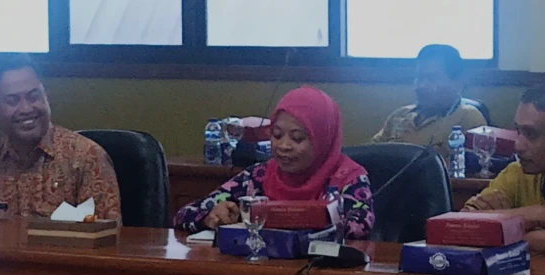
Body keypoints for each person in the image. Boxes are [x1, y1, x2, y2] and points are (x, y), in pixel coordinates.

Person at [175, 86, 375, 239]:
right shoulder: (258, 176)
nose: (284, 146)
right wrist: (212, 216)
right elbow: (185, 214)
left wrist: (284, 217)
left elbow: (359, 226)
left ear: (323, 139)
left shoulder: (349, 177)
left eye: (297, 138)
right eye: (277, 135)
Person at [0, 54, 121, 221]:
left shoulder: (86, 158)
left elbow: (106, 239)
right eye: (13, 101)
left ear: (47, 97)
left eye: (34, 96)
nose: (26, 109)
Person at [462, 81, 545, 254]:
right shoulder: (517, 173)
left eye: (531, 134)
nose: (518, 146)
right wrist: (537, 215)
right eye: (518, 131)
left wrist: (509, 231)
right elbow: (463, 225)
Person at [371, 44, 487, 159]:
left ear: (457, 82)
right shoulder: (400, 115)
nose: (421, 86)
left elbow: (469, 170)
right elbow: (367, 156)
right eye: (419, 77)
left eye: (432, 78)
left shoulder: (468, 118)